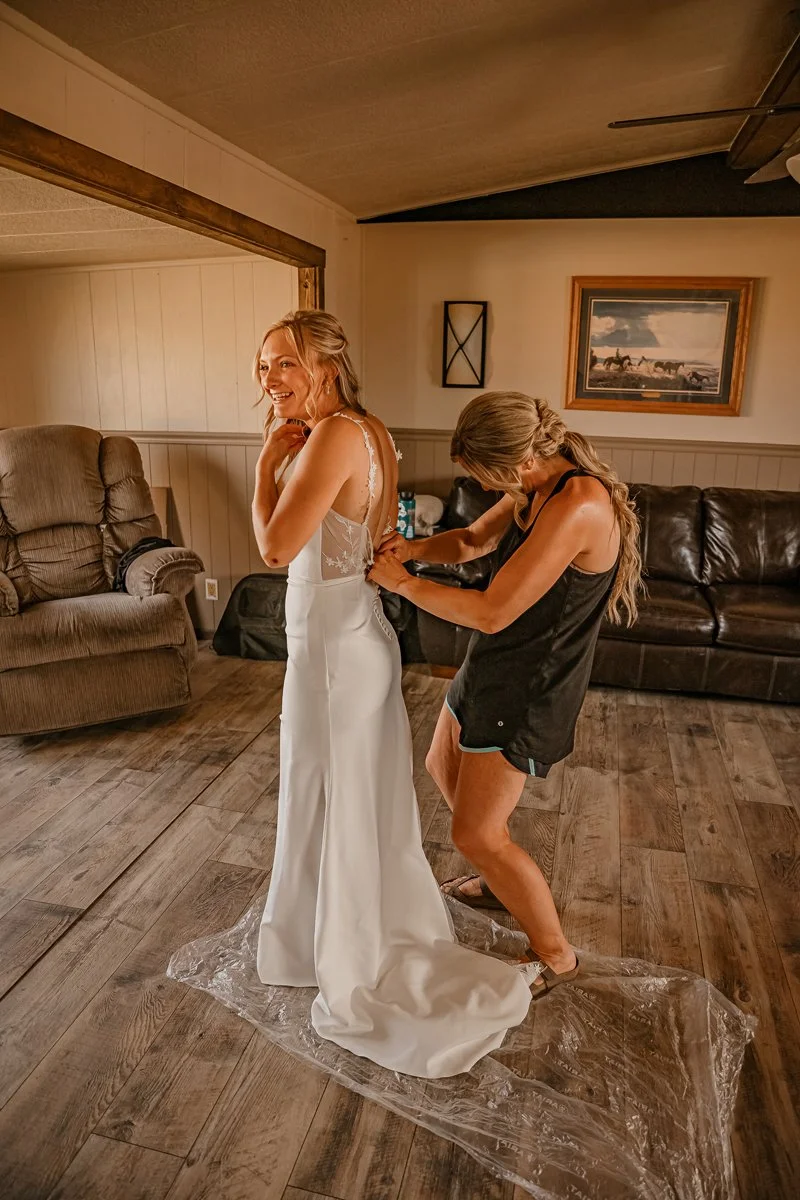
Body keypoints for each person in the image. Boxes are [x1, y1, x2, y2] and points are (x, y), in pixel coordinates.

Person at [250, 311, 533, 1080]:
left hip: (335, 650)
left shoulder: (336, 435)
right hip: (351, 639)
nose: (270, 380)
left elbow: (274, 547)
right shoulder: (370, 430)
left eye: (284, 364)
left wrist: (261, 471)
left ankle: (335, 953)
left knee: (329, 796)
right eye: (263, 366)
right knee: (344, 798)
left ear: (327, 363)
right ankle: (323, 937)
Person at [368, 391, 642, 991]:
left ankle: (555, 956)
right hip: (493, 664)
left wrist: (403, 584)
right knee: (442, 764)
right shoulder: (532, 485)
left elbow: (492, 611)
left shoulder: (578, 503)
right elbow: (470, 541)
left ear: (516, 461)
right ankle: (497, 881)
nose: (483, 485)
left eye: (483, 474)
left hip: (531, 682)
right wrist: (411, 550)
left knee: (476, 833)